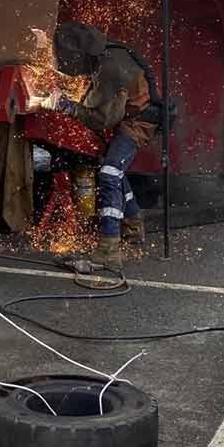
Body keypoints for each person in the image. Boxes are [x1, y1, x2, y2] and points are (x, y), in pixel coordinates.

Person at [48, 22, 164, 268]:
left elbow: (101, 119)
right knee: (115, 170)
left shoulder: (110, 68)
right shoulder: (107, 55)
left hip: (139, 123)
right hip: (132, 117)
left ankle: (108, 247)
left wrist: (69, 107)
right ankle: (133, 230)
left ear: (77, 54)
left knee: (110, 173)